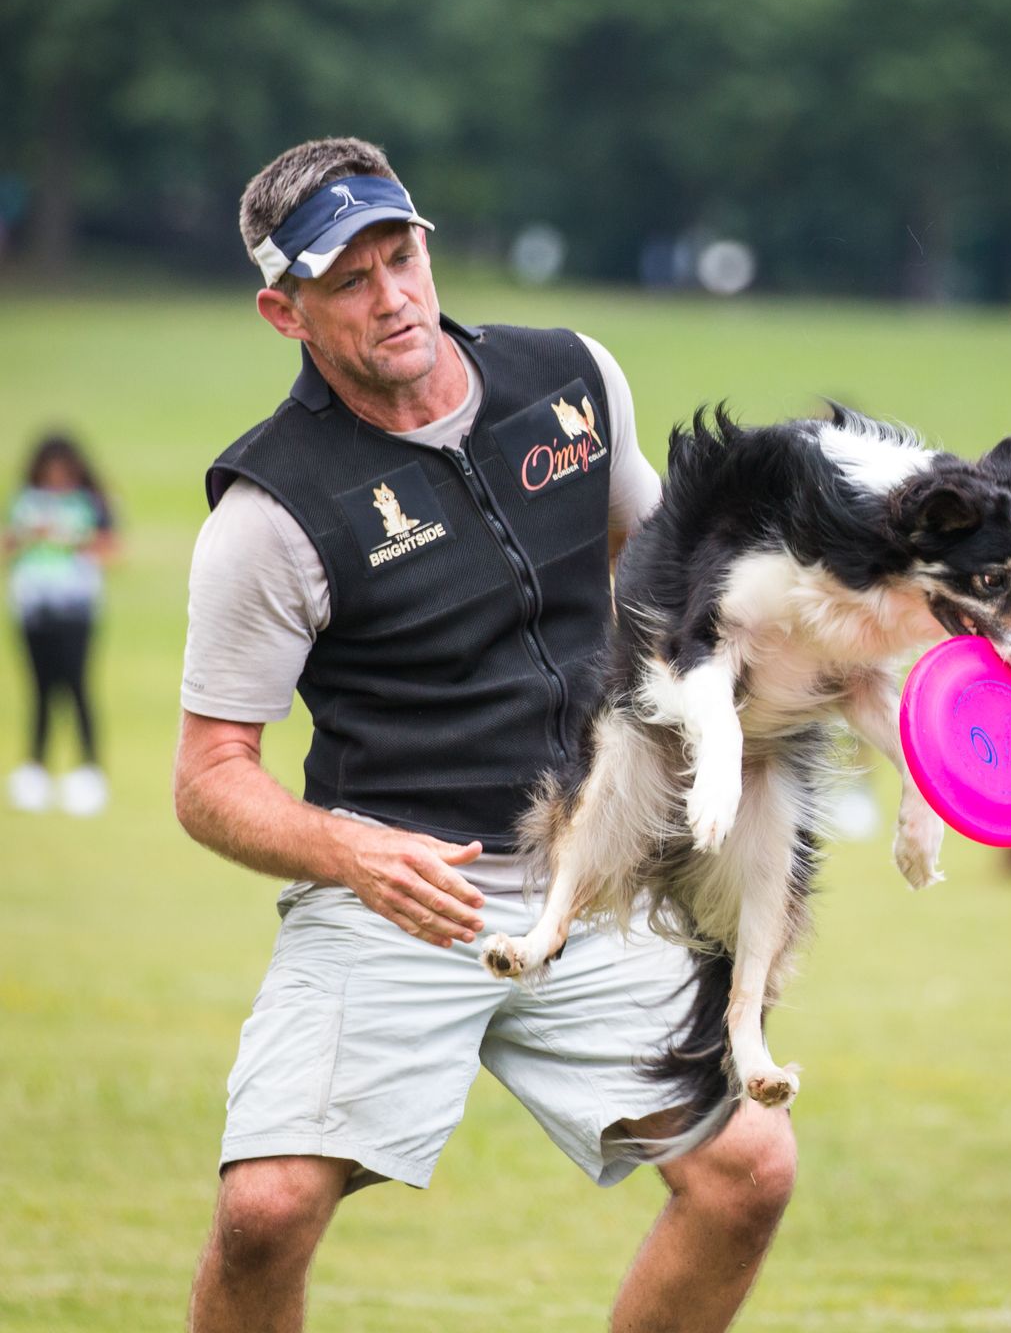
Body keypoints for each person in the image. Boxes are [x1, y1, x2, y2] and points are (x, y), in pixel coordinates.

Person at [174, 137, 795, 1332]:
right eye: (347, 280)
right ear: (283, 312)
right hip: (398, 892)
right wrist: (350, 852)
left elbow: (668, 581)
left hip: (585, 875)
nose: (391, 296)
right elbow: (208, 776)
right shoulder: (269, 512)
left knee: (747, 1170)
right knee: (265, 1210)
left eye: (400, 257)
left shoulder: (571, 380)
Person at [6, 433, 115, 815]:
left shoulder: (88, 504)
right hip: (34, 608)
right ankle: (35, 768)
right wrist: (27, 536)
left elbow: (111, 548)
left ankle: (89, 768)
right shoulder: (26, 503)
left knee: (77, 686)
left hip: (75, 609)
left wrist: (72, 539)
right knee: (39, 690)